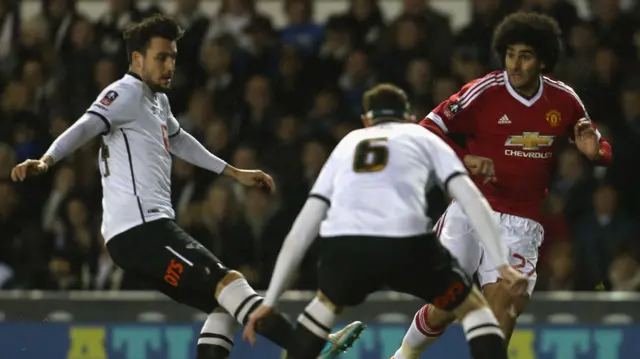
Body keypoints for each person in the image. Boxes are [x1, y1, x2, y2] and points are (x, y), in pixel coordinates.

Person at [10, 14, 363, 359]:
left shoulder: (157, 101)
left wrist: (234, 172)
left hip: (138, 235)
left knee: (223, 303)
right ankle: (310, 346)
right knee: (229, 282)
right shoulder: (125, 92)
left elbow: (179, 141)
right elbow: (86, 125)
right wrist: (47, 160)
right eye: (161, 57)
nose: (169, 66)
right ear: (137, 58)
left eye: (173, 58)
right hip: (142, 230)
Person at [241, 83, 529, 359]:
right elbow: (471, 200)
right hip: (407, 245)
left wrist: (270, 301)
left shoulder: (347, 144)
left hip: (348, 250)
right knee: (474, 310)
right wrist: (502, 264)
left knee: (322, 308)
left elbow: (302, 229)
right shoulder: (423, 137)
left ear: (367, 120)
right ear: (410, 118)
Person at [391, 12, 613, 359]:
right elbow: (426, 129)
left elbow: (596, 143)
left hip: (521, 222)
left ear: (543, 59)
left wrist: (596, 153)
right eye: (510, 54)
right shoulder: (485, 91)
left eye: (525, 55)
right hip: (470, 209)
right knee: (446, 306)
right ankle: (401, 357)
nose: (515, 64)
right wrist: (463, 159)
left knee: (503, 312)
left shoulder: (564, 100)